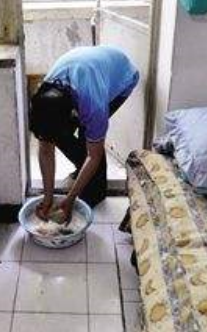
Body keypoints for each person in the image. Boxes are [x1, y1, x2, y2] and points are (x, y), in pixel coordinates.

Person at [29, 45, 139, 223]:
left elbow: (93, 155)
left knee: (89, 138)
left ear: (73, 113)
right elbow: (45, 149)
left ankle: (96, 191)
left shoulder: (94, 107)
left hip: (123, 74)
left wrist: (70, 199)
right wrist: (48, 197)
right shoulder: (44, 97)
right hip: (88, 68)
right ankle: (83, 171)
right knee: (57, 135)